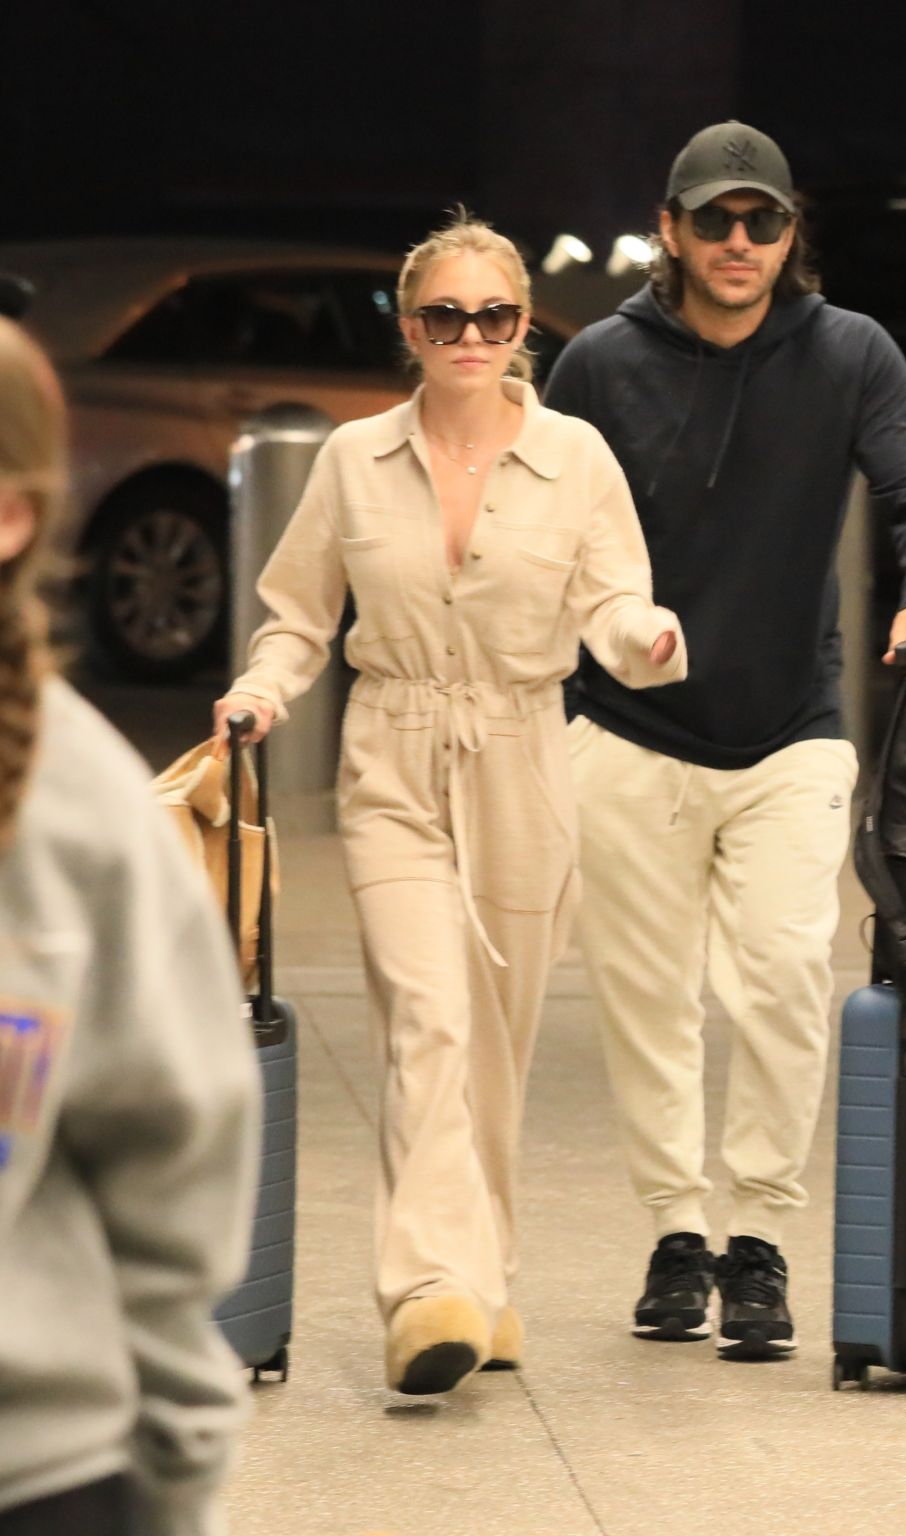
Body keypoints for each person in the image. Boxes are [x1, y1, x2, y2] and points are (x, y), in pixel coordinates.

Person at [214, 213, 687, 1397]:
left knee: (495, 1048)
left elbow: (613, 599)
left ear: (522, 328)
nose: (467, 336)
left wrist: (644, 638)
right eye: (442, 316)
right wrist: (263, 690)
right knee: (425, 1021)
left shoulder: (575, 456)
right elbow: (296, 613)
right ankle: (428, 1289)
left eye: (491, 316)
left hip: (525, 756)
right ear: (409, 329)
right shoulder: (350, 459)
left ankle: (489, 1282)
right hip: (394, 753)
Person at [544, 120, 906, 1359]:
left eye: (763, 222)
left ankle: (762, 1242)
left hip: (792, 726)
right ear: (668, 230)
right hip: (625, 729)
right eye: (715, 221)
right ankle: (678, 1235)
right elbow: (543, 528)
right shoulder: (596, 366)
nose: (740, 244)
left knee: (783, 978)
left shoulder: (849, 353)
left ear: (792, 236)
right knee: (647, 998)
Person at [0, 319, 260, 1533]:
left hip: (37, 1468)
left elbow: (174, 1170)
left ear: (11, 517)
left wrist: (174, 1477)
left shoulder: (80, 813)